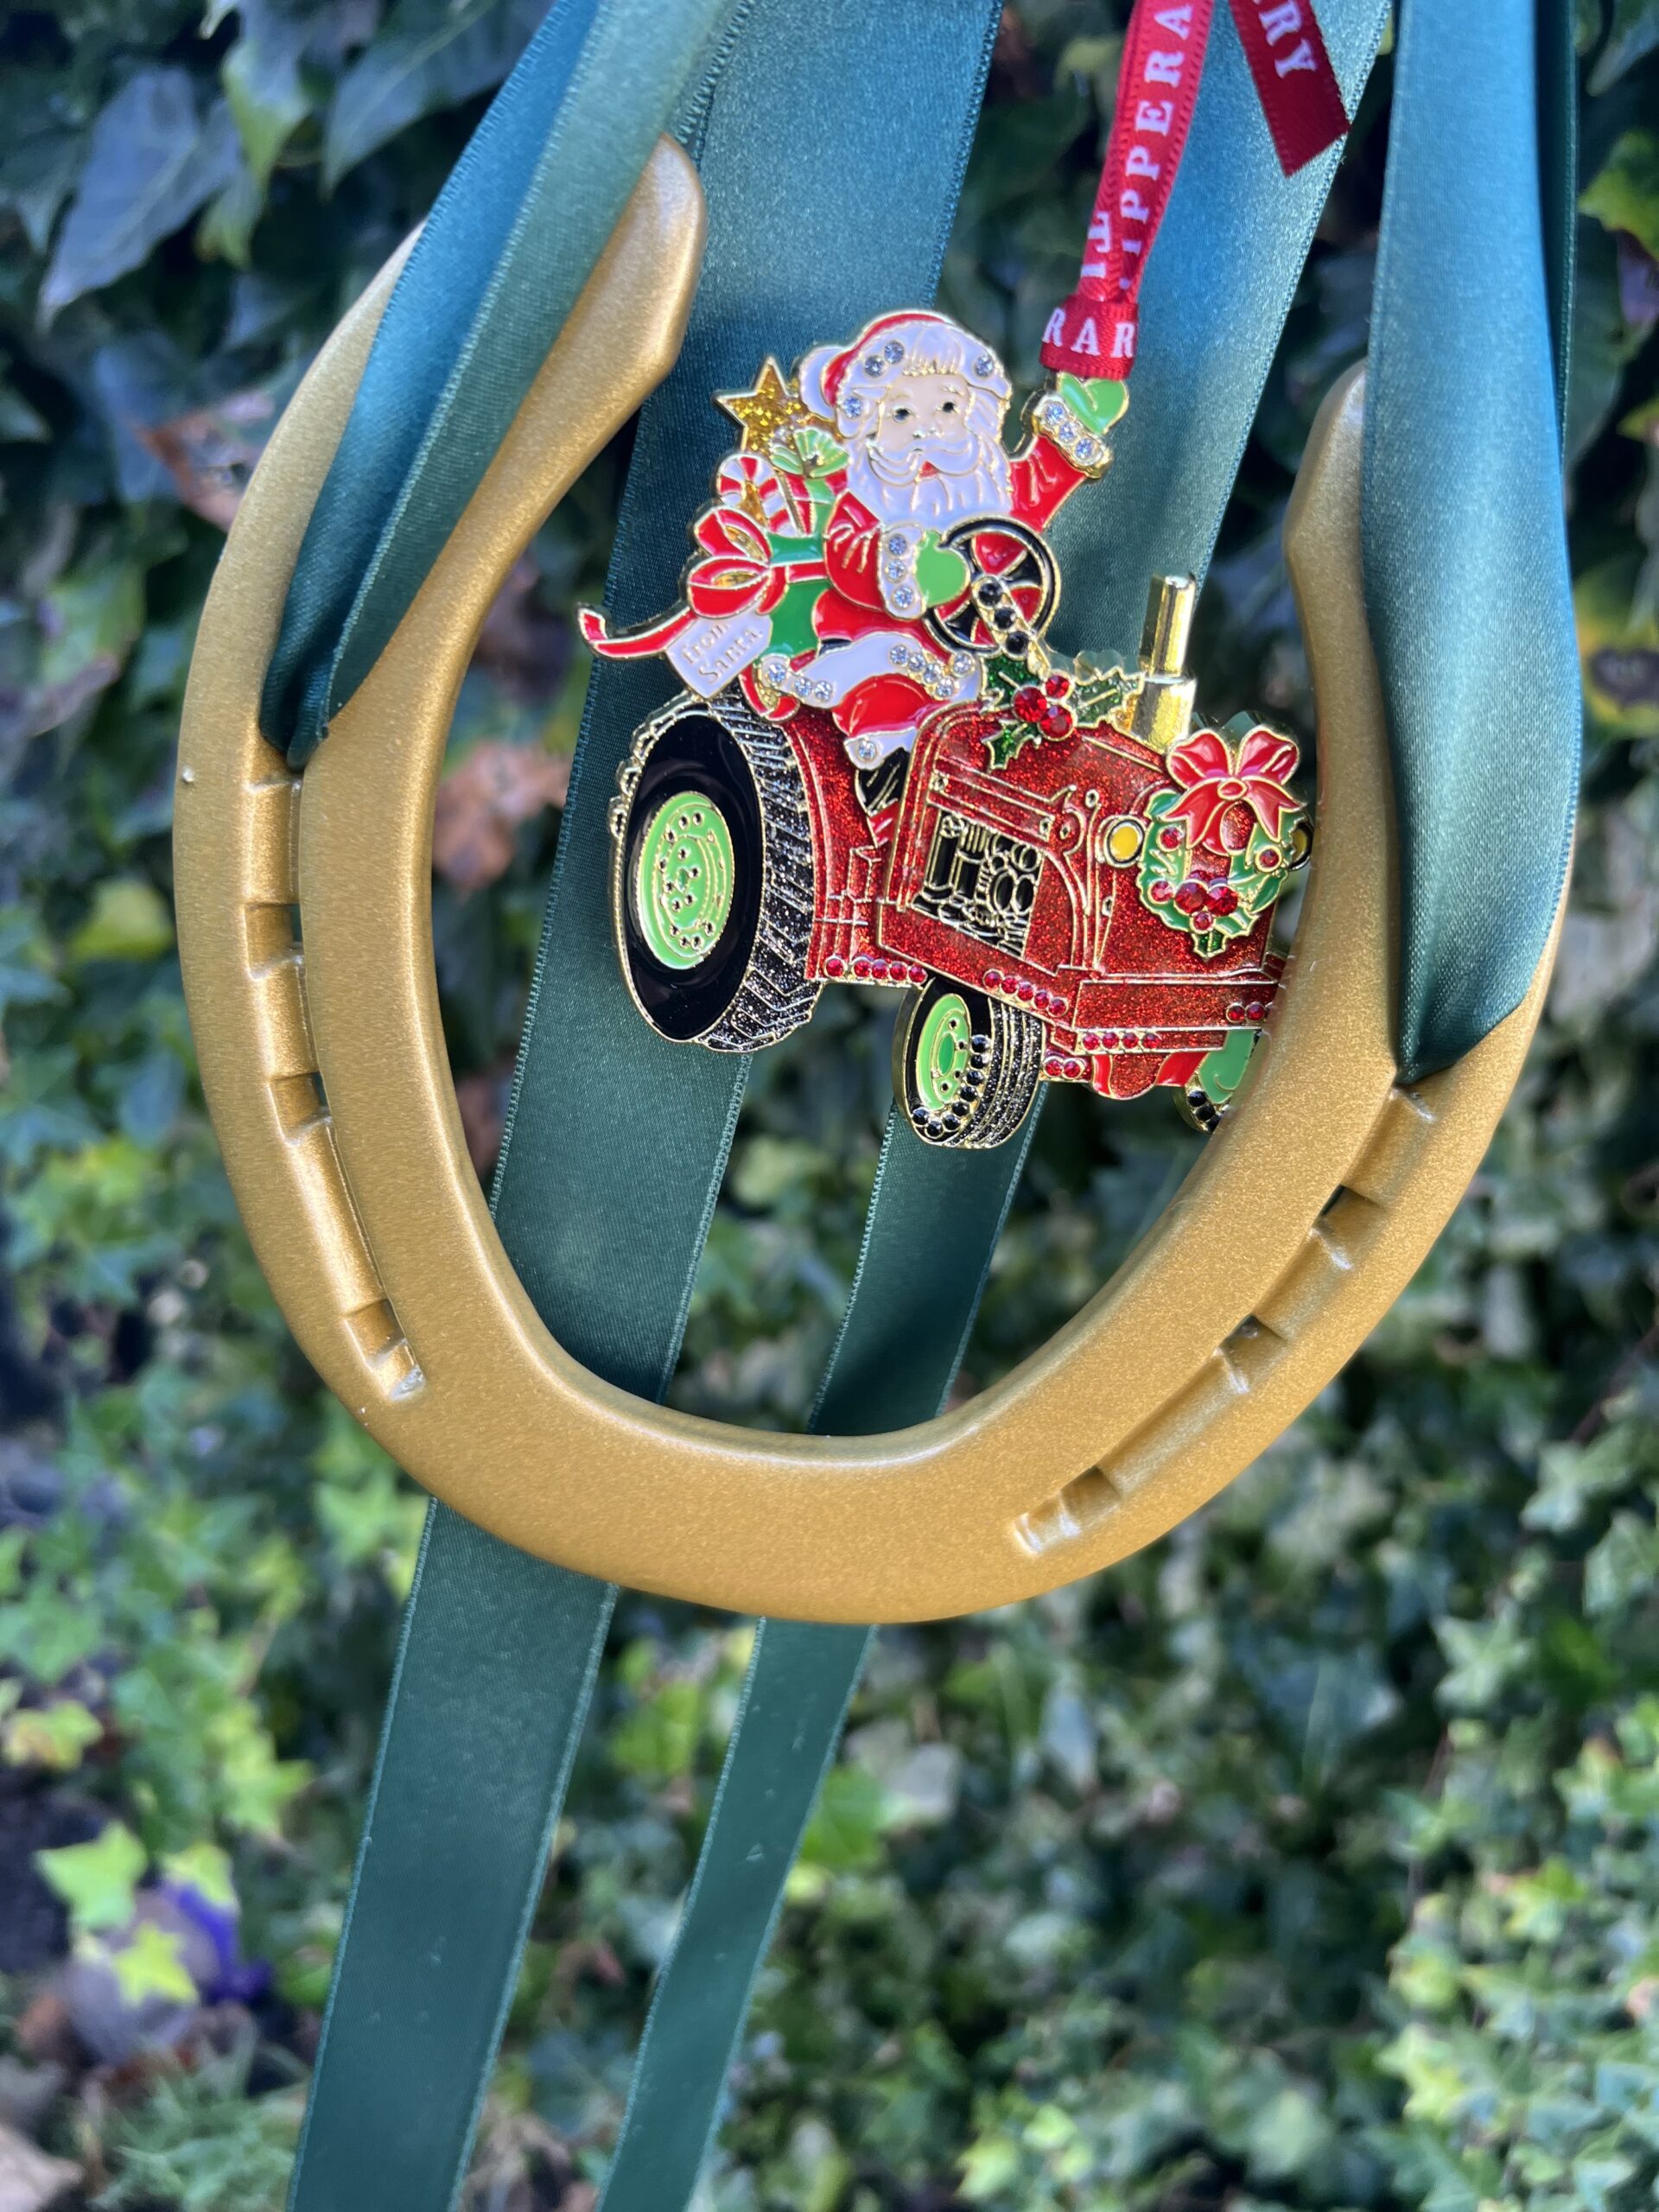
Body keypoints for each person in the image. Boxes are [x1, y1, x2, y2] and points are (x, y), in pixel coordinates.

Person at [757, 311, 1124, 810]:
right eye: (902, 415)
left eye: (947, 407)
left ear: (973, 414)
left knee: (1005, 731)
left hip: (981, 672)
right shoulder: (864, 503)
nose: (925, 432)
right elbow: (846, 556)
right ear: (869, 429)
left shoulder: (994, 490)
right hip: (883, 653)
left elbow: (1041, 482)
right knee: (884, 694)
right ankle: (884, 779)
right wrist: (908, 567)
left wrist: (1077, 424)